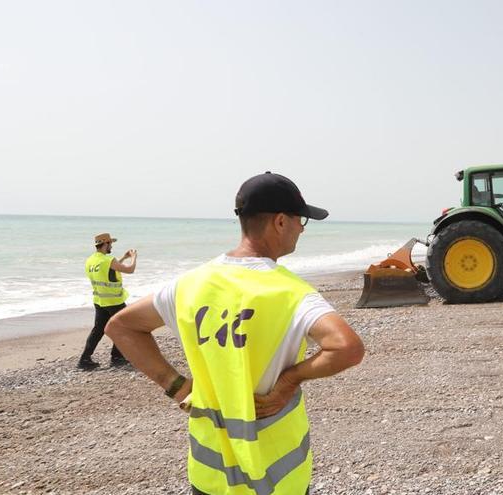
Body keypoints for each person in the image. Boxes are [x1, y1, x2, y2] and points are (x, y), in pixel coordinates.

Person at [106, 172, 365, 495]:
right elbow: (347, 348)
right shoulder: (290, 291)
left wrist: (176, 386)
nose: (301, 228)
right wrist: (288, 381)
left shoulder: (190, 284)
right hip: (277, 473)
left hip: (210, 472)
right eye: (301, 220)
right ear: (281, 222)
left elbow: (120, 326)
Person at [79, 233, 136, 370]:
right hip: (114, 300)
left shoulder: (91, 260)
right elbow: (130, 270)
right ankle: (116, 357)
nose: (111, 246)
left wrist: (123, 257)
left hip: (99, 300)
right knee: (125, 326)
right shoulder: (107, 260)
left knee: (98, 330)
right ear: (105, 244)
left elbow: (109, 270)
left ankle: (84, 360)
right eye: (110, 244)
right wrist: (133, 257)